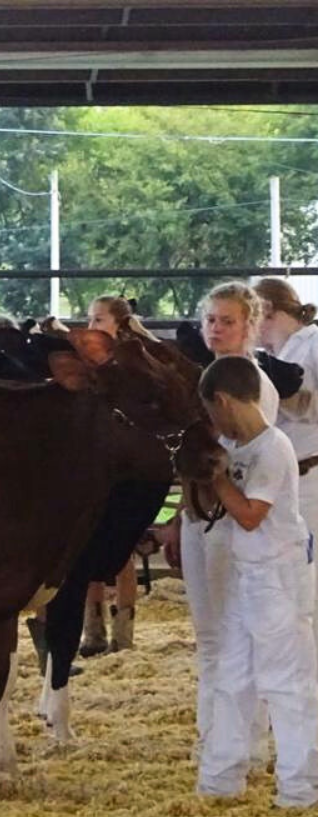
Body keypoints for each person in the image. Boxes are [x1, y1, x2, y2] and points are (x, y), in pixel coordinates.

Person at [159, 282, 279, 759]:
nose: (216, 329)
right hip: (202, 515)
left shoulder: (250, 385)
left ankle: (243, 740)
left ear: (250, 325)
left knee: (233, 634)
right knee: (211, 635)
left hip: (232, 517)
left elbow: (239, 460)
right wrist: (179, 517)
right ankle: (217, 736)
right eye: (211, 320)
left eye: (228, 321)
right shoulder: (208, 379)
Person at [194, 355, 318, 807]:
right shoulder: (238, 445)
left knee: (286, 681)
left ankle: (300, 787)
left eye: (211, 410)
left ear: (223, 401)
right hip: (248, 575)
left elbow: (250, 515)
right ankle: (220, 780)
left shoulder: (273, 447)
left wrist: (218, 477)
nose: (213, 421)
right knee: (232, 676)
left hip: (278, 576)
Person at [78, 295, 158, 657]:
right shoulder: (92, 361)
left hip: (129, 465)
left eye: (98, 320)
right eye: (90, 320)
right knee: (88, 545)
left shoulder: (138, 360)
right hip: (99, 462)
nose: (92, 327)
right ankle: (93, 629)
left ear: (118, 325)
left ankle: (123, 632)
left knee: (122, 547)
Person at [252, 277, 318, 649]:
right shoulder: (273, 355)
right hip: (275, 480)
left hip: (311, 474)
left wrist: (289, 396)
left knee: (308, 583)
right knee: (282, 584)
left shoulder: (315, 343)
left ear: (269, 312)